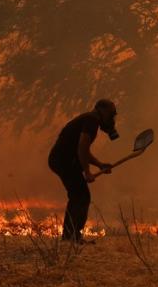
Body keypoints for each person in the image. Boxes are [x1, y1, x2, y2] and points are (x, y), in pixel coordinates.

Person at [48, 99, 119, 242]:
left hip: (62, 160)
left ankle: (70, 235)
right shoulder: (91, 120)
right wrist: (87, 172)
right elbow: (82, 147)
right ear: (102, 110)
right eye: (111, 114)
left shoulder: (89, 119)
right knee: (81, 196)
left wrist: (99, 164)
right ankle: (72, 236)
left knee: (78, 195)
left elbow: (83, 149)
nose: (111, 118)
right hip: (64, 161)